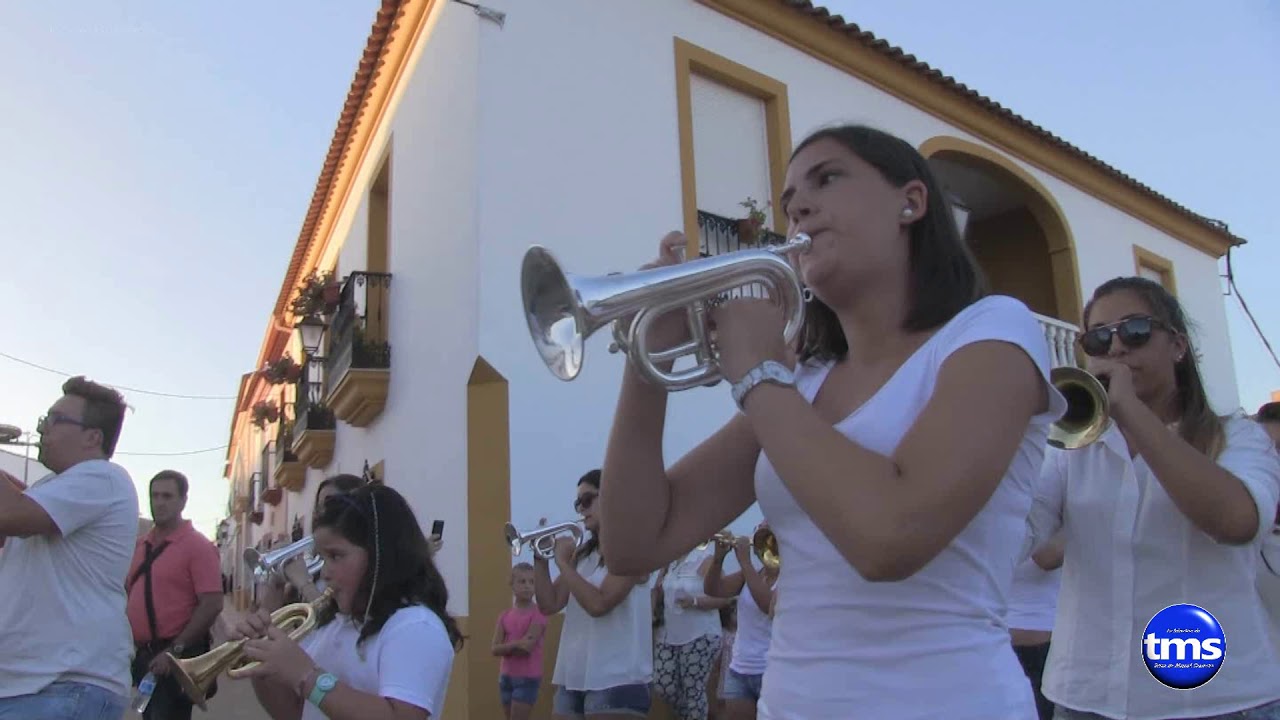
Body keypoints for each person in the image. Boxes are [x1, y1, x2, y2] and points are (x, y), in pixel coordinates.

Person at [599, 123, 1066, 719]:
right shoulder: (807, 382)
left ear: (911, 201)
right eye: (791, 204)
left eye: (828, 179)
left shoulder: (994, 330)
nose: (800, 210)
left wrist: (758, 375)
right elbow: (633, 545)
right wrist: (648, 359)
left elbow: (889, 539)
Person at [1025, 276, 1280, 720]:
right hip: (1087, 696)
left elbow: (1238, 522)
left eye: (1135, 331)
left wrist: (1131, 413)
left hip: (1215, 700)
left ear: (1178, 345)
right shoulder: (1070, 447)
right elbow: (1019, 535)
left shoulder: (1236, 436)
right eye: (1099, 338)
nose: (1117, 348)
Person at [229, 483, 462, 719]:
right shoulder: (336, 623)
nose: (325, 572)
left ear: (380, 555)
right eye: (322, 557)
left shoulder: (414, 626)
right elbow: (293, 713)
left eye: (336, 556)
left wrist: (307, 676)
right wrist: (262, 663)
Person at [0, 376, 138, 720]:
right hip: (35, 687)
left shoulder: (102, 477)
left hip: (66, 687)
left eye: (54, 420)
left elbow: (10, 513)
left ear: (93, 437)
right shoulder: (51, 487)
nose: (43, 428)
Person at [533, 469, 653, 719]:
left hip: (617, 680)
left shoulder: (633, 549)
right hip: (572, 677)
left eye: (587, 500)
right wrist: (541, 559)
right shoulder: (584, 554)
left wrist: (564, 564)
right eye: (578, 503)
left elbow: (599, 604)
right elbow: (549, 604)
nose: (581, 509)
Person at [126, 470, 224, 720]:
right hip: (143, 656)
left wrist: (174, 651)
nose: (159, 502)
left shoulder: (198, 546)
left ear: (183, 501)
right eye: (155, 495)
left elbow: (211, 604)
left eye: (167, 496)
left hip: (176, 659)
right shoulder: (140, 545)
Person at [703, 524, 776, 720]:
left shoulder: (790, 577)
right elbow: (713, 589)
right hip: (740, 668)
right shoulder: (754, 574)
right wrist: (719, 558)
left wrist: (745, 562)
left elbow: (767, 604)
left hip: (771, 670)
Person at [652, 540, 728, 720]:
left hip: (700, 634)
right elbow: (657, 591)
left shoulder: (704, 559)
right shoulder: (670, 562)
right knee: (663, 685)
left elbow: (724, 597)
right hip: (670, 635)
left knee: (693, 688)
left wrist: (694, 602)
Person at [493, 562, 548, 720]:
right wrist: (517, 644)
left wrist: (507, 647)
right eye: (522, 582)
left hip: (527, 676)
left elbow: (527, 648)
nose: (527, 586)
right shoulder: (505, 615)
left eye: (531, 582)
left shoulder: (539, 612)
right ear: (512, 584)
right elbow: (494, 648)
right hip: (506, 676)